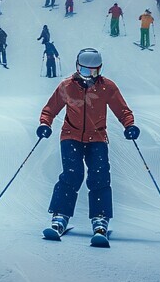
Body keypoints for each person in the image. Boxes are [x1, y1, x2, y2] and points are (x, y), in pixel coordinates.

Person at [38, 48, 139, 241]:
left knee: (100, 175)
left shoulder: (107, 87)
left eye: (93, 72)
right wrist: (45, 123)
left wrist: (129, 125)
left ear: (99, 70)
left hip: (98, 138)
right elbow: (50, 109)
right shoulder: (67, 86)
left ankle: (100, 219)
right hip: (71, 136)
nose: (88, 76)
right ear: (77, 67)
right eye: (84, 71)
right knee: (72, 174)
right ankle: (60, 216)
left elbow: (122, 110)